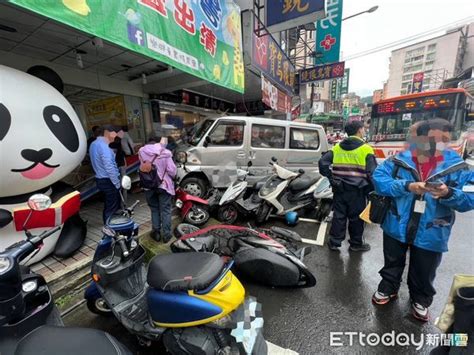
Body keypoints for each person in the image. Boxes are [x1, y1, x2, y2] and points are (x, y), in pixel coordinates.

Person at [371, 119, 474, 322]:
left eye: (444, 139)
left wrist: (448, 193)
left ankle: (421, 299)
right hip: (396, 222)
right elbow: (379, 180)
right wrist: (407, 186)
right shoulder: (400, 160)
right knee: (392, 260)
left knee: (425, 268)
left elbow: (470, 198)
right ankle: (388, 287)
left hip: (433, 229)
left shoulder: (459, 167)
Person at [319, 120, 377, 252]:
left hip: (339, 189)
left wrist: (331, 178)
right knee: (356, 218)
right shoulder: (366, 149)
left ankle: (334, 242)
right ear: (359, 130)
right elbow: (372, 173)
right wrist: (372, 190)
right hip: (357, 191)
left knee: (339, 216)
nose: (364, 131)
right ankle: (356, 244)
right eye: (363, 129)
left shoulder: (337, 147)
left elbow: (323, 163)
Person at [138, 136, 177, 243]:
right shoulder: (165, 153)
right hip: (163, 185)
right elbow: (172, 171)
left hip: (148, 185)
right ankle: (166, 235)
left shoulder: (141, 152)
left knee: (154, 209)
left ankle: (156, 233)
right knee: (165, 211)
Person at [89, 125, 122, 223]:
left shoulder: (93, 144)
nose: (115, 136)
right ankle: (109, 227)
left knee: (109, 204)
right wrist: (116, 183)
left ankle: (109, 224)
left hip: (100, 178)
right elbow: (109, 165)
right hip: (108, 179)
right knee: (111, 206)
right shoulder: (104, 145)